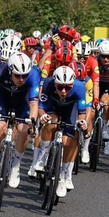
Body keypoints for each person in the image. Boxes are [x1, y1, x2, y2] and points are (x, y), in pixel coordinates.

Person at [0, 52, 41, 188]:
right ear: (10, 70)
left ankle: (15, 166)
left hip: (22, 102)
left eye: (24, 76)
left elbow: (34, 104)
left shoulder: (33, 74)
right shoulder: (0, 71)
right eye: (17, 75)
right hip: (3, 99)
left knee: (24, 130)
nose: (21, 79)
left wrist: (33, 123)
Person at [35, 65, 89, 198]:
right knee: (49, 123)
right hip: (52, 107)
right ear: (55, 83)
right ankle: (43, 155)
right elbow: (40, 107)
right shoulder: (48, 84)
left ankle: (66, 173)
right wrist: (42, 116)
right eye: (60, 87)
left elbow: (82, 112)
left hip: (70, 110)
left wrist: (82, 123)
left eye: (67, 88)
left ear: (72, 85)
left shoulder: (79, 87)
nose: (63, 91)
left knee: (69, 140)